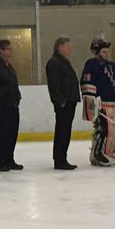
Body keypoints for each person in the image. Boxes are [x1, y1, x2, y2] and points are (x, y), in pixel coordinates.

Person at [82, 38, 115, 167]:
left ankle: (112, 150)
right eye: (103, 51)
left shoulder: (113, 66)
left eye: (108, 51)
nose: (107, 54)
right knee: (104, 130)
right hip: (101, 103)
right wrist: (92, 104)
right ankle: (97, 153)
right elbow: (87, 83)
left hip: (113, 103)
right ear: (97, 52)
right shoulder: (91, 64)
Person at [0, 38, 23, 170]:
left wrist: (17, 97)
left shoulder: (9, 66)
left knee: (12, 133)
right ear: (1, 51)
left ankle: (9, 158)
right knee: (0, 134)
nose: (10, 51)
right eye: (8, 48)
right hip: (2, 106)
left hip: (13, 105)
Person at [45, 37, 79, 170]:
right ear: (60, 47)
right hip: (64, 103)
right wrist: (61, 101)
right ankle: (59, 160)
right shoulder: (55, 63)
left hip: (69, 101)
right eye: (68, 46)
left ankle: (62, 158)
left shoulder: (64, 62)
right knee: (62, 131)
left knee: (65, 131)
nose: (70, 49)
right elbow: (54, 85)